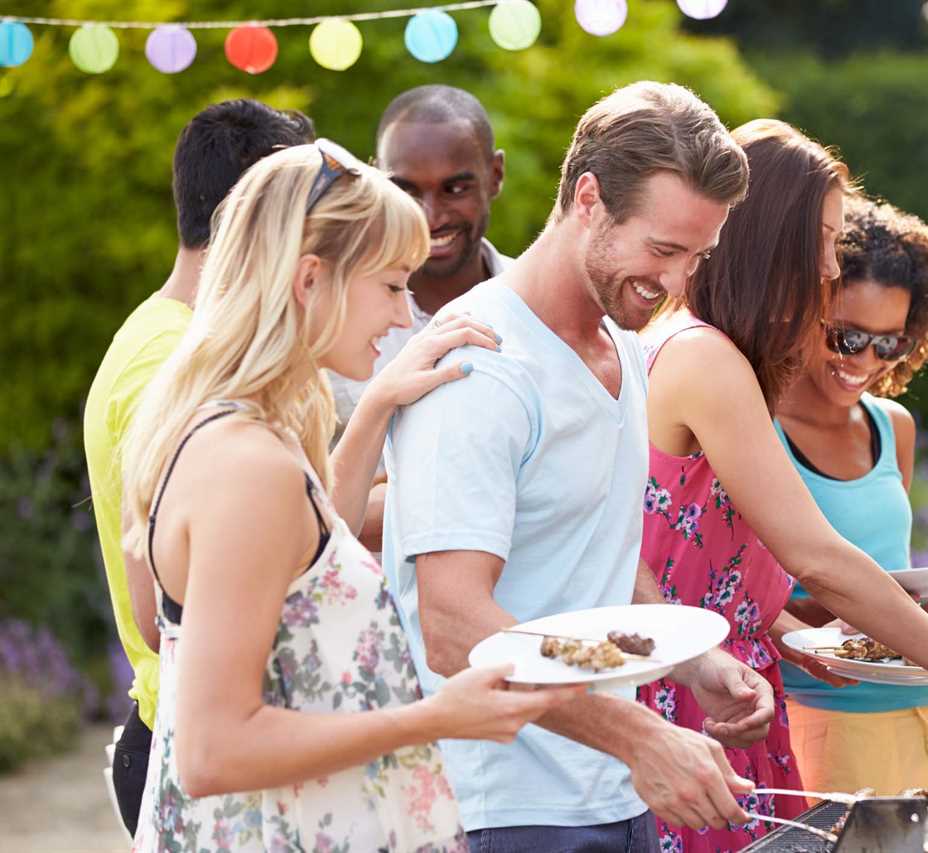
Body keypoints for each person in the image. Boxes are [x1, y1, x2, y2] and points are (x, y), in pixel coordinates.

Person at [120, 140, 579, 851]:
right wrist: (436, 716)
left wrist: (375, 408)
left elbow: (295, 562)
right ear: (312, 279)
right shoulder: (248, 468)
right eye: (393, 285)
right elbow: (214, 750)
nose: (404, 318)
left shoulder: (222, 428)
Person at [383, 81, 776, 851]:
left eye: (696, 256)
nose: (675, 283)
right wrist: (637, 733)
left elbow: (597, 553)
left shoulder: (624, 348)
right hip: (499, 807)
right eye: (662, 249)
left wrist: (696, 660)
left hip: (607, 792)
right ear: (588, 198)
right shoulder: (480, 364)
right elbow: (454, 626)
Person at [637, 120, 928, 852]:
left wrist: (791, 631)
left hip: (725, 697)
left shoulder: (703, 350)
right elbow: (816, 556)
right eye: (822, 237)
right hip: (697, 705)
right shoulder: (704, 357)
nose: (828, 263)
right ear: (770, 237)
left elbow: (712, 571)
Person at [83, 99, 314, 836]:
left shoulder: (175, 337)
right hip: (187, 741)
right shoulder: (175, 360)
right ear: (251, 217)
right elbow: (166, 604)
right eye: (297, 216)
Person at [776, 200, 928, 798]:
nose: (864, 363)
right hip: (832, 720)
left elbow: (884, 587)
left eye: (889, 346)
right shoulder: (757, 432)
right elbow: (752, 599)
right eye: (846, 336)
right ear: (805, 308)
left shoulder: (892, 426)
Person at [327, 85, 512, 550]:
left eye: (455, 188)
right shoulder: (330, 326)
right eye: (406, 190)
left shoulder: (541, 307)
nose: (431, 216)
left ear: (495, 175)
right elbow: (307, 516)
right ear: (376, 181)